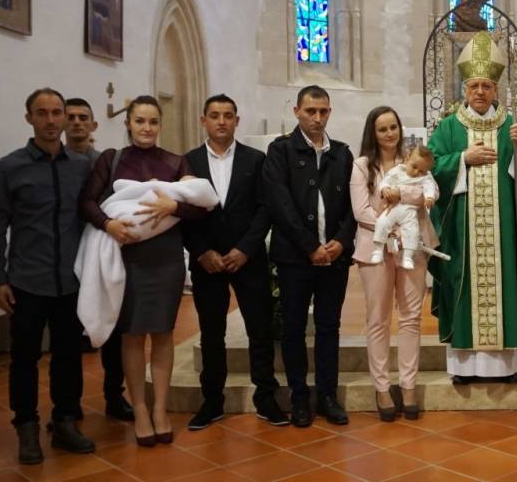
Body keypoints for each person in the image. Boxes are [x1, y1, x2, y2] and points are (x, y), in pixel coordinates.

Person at [79, 95, 207, 446]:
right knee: (133, 335)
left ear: (160, 125)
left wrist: (174, 206)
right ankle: (139, 410)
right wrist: (108, 224)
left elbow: (201, 208)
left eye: (153, 121)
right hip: (128, 259)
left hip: (166, 260)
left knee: (163, 334)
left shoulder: (175, 162)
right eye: (140, 121)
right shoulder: (112, 159)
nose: (147, 128)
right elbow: (87, 202)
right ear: (128, 123)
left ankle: (160, 409)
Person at [0, 89, 96, 465]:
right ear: (29, 118)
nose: (51, 120)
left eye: (57, 113)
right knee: (24, 358)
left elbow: (90, 218)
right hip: (27, 280)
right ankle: (27, 427)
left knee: (68, 355)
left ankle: (65, 421)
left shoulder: (80, 166)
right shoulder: (9, 167)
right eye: (42, 113)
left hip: (70, 280)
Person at [429, 31, 517, 383]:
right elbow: (429, 167)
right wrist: (463, 158)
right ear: (465, 89)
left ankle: (505, 367)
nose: (480, 91)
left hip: (503, 234)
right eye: (474, 86)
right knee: (462, 287)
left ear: (495, 90)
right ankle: (464, 368)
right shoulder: (449, 127)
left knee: (504, 286)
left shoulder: (512, 126)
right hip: (462, 234)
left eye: (486, 86)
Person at [182, 94, 288, 430]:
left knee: (259, 330)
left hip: (248, 259)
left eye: (228, 115)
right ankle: (212, 401)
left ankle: (266, 398)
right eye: (215, 115)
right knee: (212, 334)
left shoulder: (255, 159)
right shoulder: (187, 162)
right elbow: (182, 213)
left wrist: (245, 249)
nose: (222, 121)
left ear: (236, 121)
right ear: (204, 120)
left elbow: (265, 208)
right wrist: (202, 252)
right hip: (208, 262)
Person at [262, 85, 355, 427]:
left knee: (329, 327)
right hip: (294, 258)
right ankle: (299, 396)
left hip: (334, 258)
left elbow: (354, 207)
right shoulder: (281, 150)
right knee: (294, 328)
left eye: (323, 111)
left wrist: (341, 241)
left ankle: (327, 396)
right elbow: (279, 203)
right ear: (297, 111)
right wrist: (310, 246)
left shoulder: (342, 153)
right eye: (310, 111)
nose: (317, 118)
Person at [351, 106, 436, 421]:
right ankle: (383, 387)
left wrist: (400, 197)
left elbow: (426, 195)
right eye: (382, 128)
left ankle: (408, 385)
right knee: (378, 320)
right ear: (372, 133)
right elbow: (361, 210)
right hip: (376, 244)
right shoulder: (362, 166)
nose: (389, 133)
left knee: (411, 318)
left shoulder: (413, 160)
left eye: (393, 127)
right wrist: (391, 227)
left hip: (412, 244)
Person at [64, 97, 133, 422]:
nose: (77, 123)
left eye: (83, 117)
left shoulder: (107, 162)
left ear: (93, 124)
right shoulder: (54, 161)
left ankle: (114, 396)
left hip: (101, 255)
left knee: (113, 331)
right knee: (67, 339)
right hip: (64, 259)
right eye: (71, 117)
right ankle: (68, 405)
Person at [370, 145, 438, 270]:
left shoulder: (426, 176)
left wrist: (429, 197)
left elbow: (430, 187)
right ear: (407, 158)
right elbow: (386, 181)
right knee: (382, 222)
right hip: (392, 208)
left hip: (410, 211)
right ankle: (378, 250)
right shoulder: (397, 171)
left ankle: (408, 257)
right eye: (414, 167)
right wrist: (385, 189)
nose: (417, 172)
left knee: (412, 231)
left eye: (422, 171)